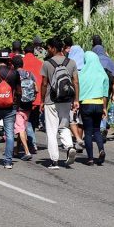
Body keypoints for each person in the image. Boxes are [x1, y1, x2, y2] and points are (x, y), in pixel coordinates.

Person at [40, 37, 79, 169]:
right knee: (64, 126)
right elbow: (75, 82)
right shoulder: (71, 62)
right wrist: (76, 99)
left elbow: (44, 84)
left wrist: (41, 100)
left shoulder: (47, 63)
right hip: (66, 99)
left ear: (53, 48)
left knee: (51, 130)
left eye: (48, 48)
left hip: (51, 100)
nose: (47, 50)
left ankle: (54, 161)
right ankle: (69, 147)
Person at [78, 50, 110, 166]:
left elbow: (77, 89)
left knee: (87, 132)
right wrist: (104, 108)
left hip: (86, 104)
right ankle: (101, 149)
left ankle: (90, 158)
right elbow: (105, 94)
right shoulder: (102, 74)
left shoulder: (81, 74)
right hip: (99, 103)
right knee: (97, 130)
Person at [12, 54, 38, 161]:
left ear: (13, 65)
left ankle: (26, 151)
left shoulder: (13, 74)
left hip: (18, 105)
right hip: (28, 105)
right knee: (22, 126)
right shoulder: (30, 74)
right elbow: (36, 89)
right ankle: (17, 150)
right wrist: (32, 98)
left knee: (20, 128)